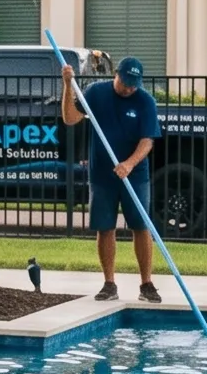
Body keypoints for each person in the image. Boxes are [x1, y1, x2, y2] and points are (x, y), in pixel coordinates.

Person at [60, 54, 161, 302]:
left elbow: (147, 141)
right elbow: (70, 118)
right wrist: (66, 86)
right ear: (116, 74)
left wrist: (129, 163)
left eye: (133, 84)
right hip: (102, 175)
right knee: (105, 228)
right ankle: (109, 284)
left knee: (140, 226)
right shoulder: (96, 92)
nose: (128, 88)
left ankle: (146, 284)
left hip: (135, 175)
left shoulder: (145, 101)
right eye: (125, 81)